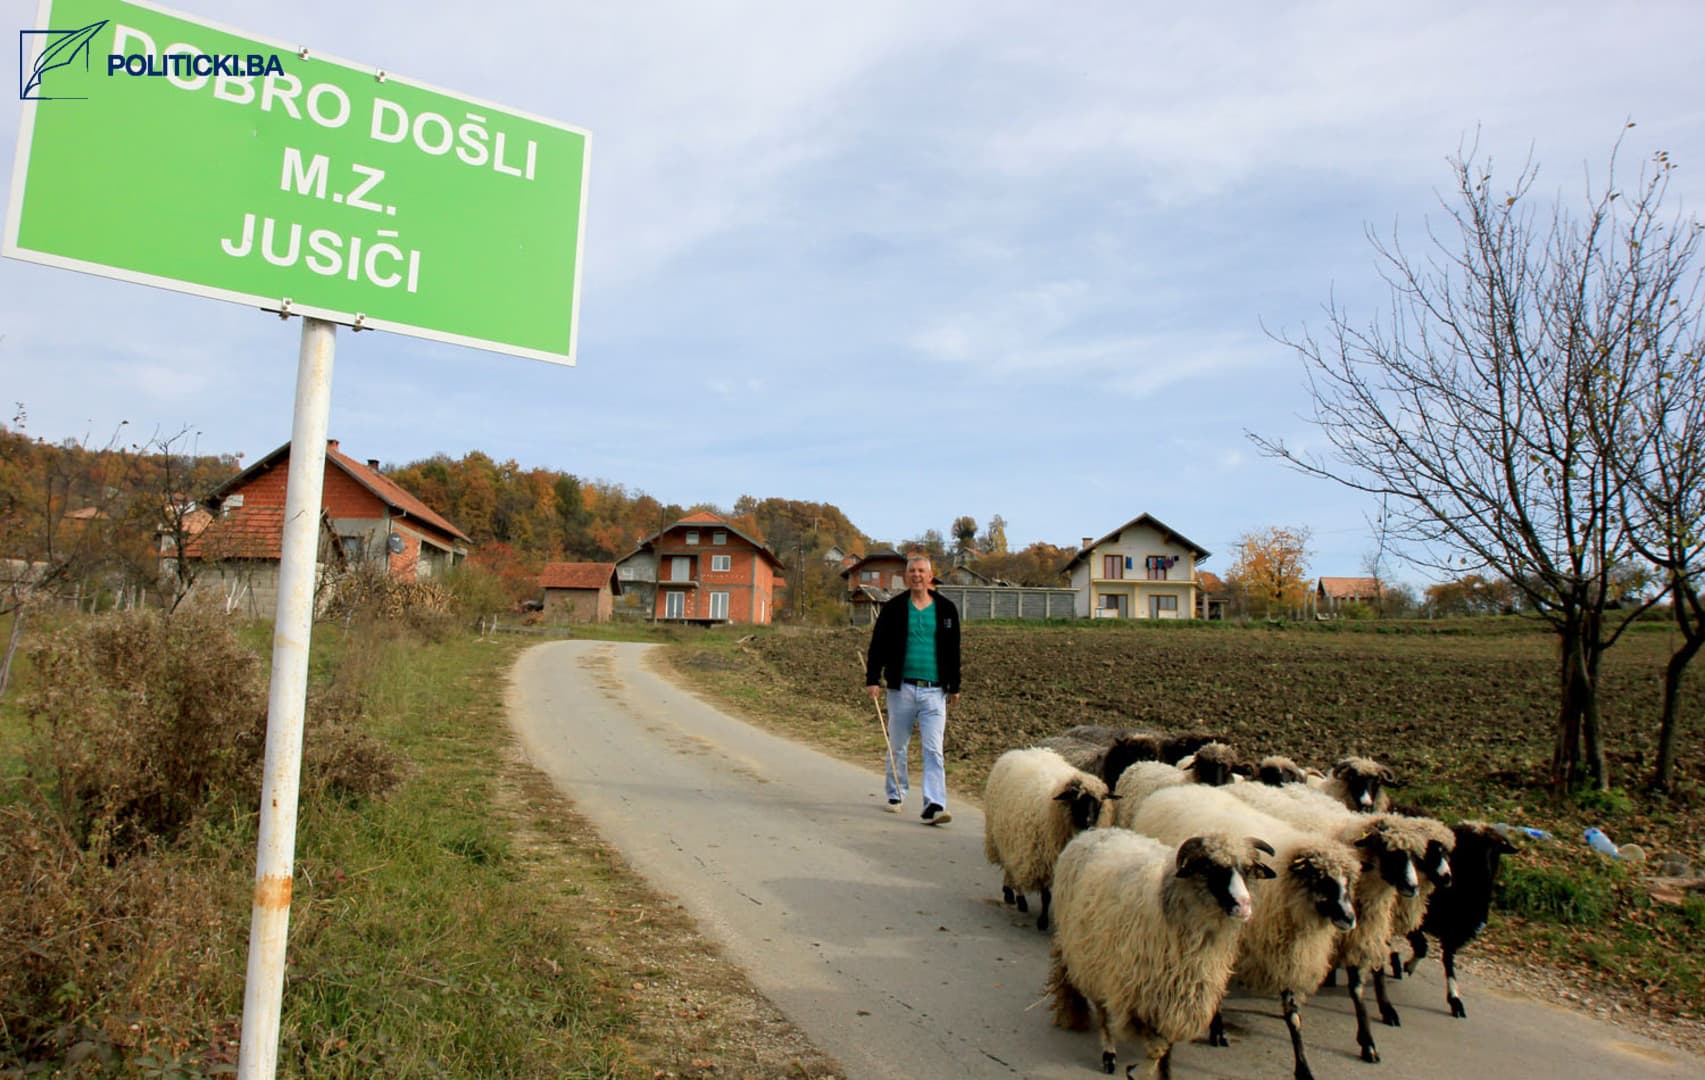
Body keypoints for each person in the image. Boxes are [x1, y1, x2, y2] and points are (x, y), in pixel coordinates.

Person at [864, 553, 961, 825]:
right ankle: (896, 793)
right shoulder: (894, 609)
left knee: (933, 749)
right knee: (898, 746)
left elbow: (953, 651)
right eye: (912, 571)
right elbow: (878, 646)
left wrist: (955, 685)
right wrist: (873, 679)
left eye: (921, 571)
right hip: (902, 689)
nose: (917, 575)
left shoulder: (946, 610)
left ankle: (935, 804)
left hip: (935, 691)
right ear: (906, 577)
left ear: (930, 576)